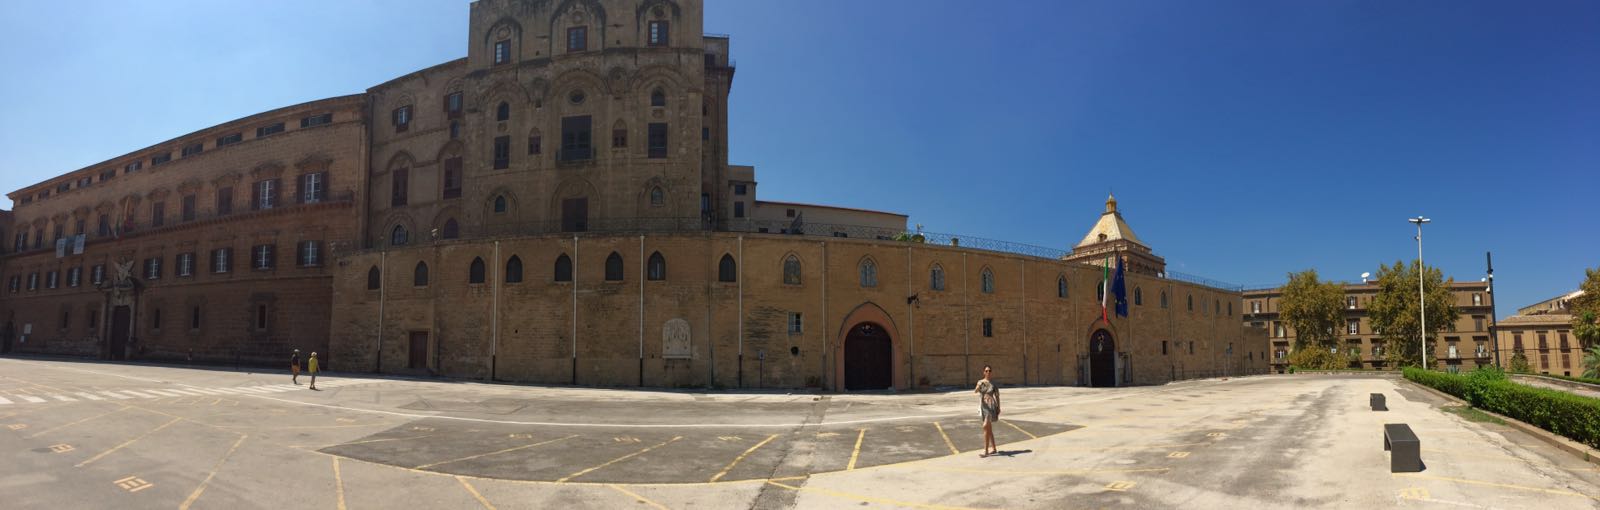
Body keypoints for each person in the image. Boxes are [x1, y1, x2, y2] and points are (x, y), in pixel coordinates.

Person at [974, 365, 1000, 457]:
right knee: (988, 428)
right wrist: (979, 386)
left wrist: (998, 407)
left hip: (991, 406)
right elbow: (976, 391)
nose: (988, 372)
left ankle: (985, 451)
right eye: (986, 371)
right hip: (983, 407)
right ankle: (994, 449)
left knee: (985, 426)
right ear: (983, 372)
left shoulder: (993, 384)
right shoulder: (980, 382)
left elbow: (997, 396)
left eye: (989, 371)